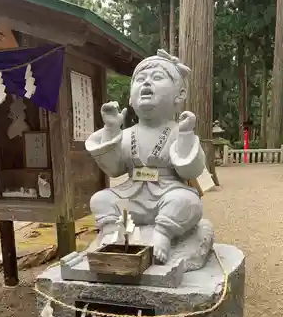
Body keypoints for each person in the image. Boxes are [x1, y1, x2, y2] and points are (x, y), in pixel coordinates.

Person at [85, 49, 206, 264]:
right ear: (131, 99)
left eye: (157, 78)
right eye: (140, 79)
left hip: (168, 193)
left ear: (179, 95)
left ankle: (163, 234)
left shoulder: (178, 130)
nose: (146, 83)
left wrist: (187, 134)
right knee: (101, 199)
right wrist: (111, 131)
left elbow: (190, 170)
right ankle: (114, 231)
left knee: (188, 201)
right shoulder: (126, 134)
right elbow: (114, 169)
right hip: (132, 195)